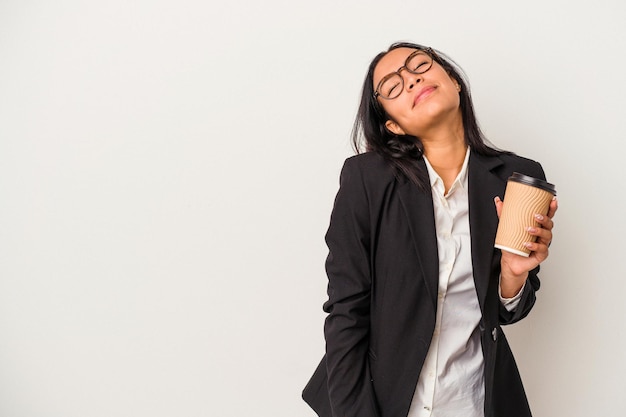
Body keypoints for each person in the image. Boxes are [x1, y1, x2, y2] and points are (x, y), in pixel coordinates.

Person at [302, 42, 558, 417]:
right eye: (392, 86)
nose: (410, 80)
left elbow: (508, 313)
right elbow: (346, 312)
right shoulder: (367, 180)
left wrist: (513, 278)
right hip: (381, 404)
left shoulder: (517, 177)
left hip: (474, 402)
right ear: (393, 124)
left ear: (453, 80)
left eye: (419, 65)